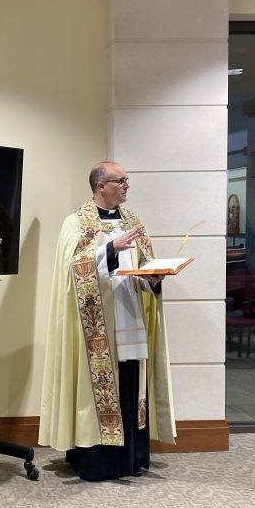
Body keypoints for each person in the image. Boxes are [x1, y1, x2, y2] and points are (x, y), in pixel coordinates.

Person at [39, 161, 176, 481]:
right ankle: (98, 461)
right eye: (121, 181)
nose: (127, 185)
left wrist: (153, 278)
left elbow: (142, 265)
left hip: (130, 315)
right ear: (101, 186)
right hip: (95, 327)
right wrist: (110, 249)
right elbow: (72, 270)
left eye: (127, 180)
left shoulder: (133, 221)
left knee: (130, 383)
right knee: (97, 391)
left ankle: (130, 458)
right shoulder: (77, 224)